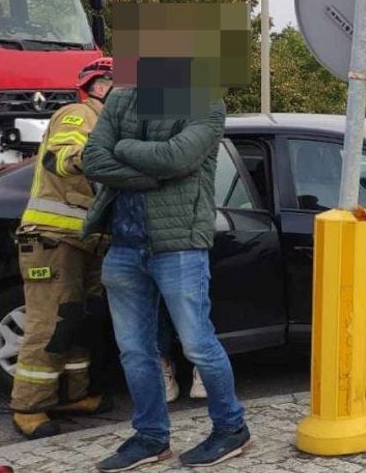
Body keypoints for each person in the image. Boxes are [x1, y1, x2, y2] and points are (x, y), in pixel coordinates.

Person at [82, 84, 249, 471]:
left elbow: (177, 158)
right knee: (136, 352)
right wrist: (149, 174)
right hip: (123, 245)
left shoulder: (205, 102)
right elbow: (92, 160)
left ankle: (231, 428)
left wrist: (121, 148)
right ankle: (151, 438)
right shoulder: (122, 99)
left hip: (179, 245)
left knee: (198, 344)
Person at [9, 58, 113, 440]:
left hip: (82, 242)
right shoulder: (77, 113)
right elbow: (60, 156)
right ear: (101, 86)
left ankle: (73, 395)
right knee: (49, 323)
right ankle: (28, 407)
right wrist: (101, 158)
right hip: (52, 239)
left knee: (77, 321)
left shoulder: (107, 123)